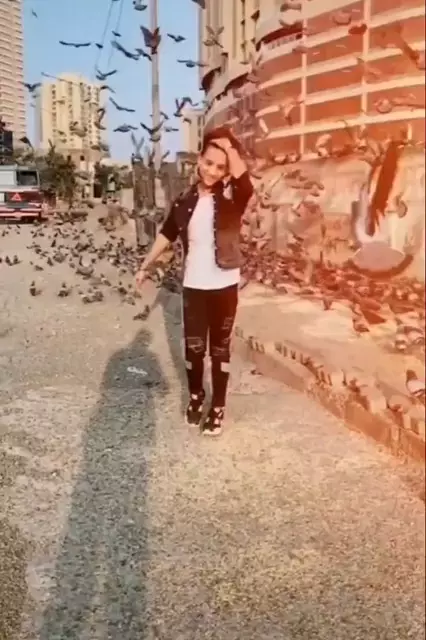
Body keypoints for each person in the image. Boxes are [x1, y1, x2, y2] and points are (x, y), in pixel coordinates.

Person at [135, 126, 253, 435]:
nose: (212, 171)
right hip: (194, 287)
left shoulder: (232, 197)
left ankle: (218, 406)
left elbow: (245, 183)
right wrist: (145, 265)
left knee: (220, 350)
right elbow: (167, 234)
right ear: (199, 160)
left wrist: (229, 146)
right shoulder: (184, 200)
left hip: (224, 286)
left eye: (220, 166)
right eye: (208, 162)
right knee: (194, 349)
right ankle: (197, 397)